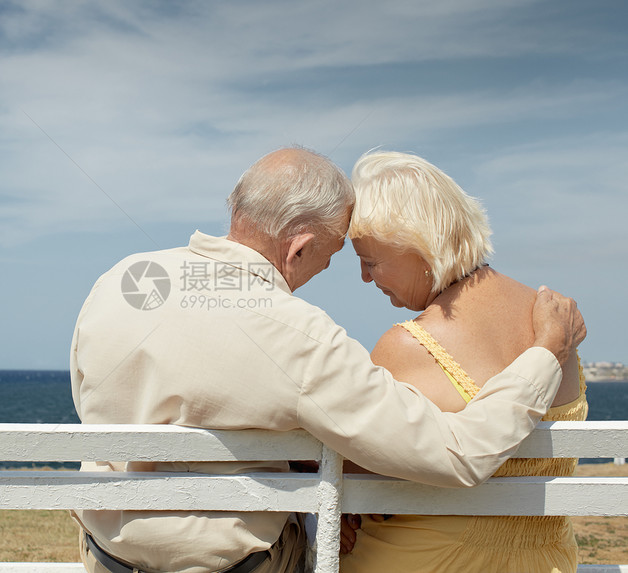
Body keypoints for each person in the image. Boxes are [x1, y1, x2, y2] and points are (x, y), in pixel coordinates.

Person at [69, 147, 585, 573]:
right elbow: (455, 454)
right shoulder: (297, 334)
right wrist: (546, 354)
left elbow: (96, 395)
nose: (348, 274)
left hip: (106, 555)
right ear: (300, 248)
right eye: (336, 255)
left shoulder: (122, 281)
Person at [339, 150, 588, 573]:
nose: (365, 278)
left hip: (435, 560)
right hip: (550, 559)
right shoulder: (556, 321)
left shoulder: (409, 345)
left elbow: (353, 474)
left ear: (421, 249)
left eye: (371, 262)